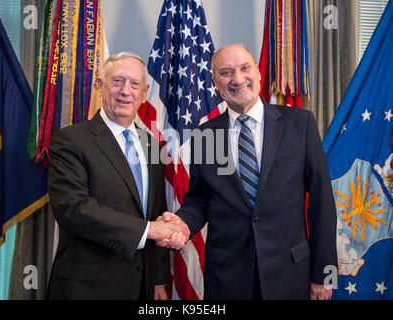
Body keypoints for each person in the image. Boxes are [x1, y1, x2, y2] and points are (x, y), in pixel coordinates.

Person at [162, 44, 338, 300]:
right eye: (226, 72)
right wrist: (183, 224)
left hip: (290, 274)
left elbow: (322, 203)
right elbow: (199, 200)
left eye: (244, 68)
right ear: (215, 82)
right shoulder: (204, 136)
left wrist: (325, 274)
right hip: (227, 278)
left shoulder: (300, 124)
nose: (237, 79)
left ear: (257, 71)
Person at [46, 52, 188, 300]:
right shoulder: (70, 141)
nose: (125, 91)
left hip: (142, 286)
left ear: (144, 94)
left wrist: (159, 280)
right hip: (87, 289)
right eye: (117, 81)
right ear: (100, 86)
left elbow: (156, 211)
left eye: (134, 84)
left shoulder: (151, 146)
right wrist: (151, 230)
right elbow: (73, 209)